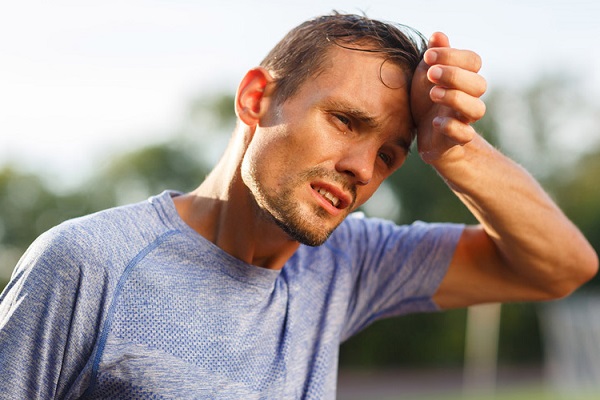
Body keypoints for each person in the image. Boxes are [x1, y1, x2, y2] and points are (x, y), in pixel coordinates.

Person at [0, 12, 597, 399]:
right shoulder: (87, 261)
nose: (363, 169)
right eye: (344, 121)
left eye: (389, 155)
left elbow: (562, 266)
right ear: (257, 97)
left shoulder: (348, 262)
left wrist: (457, 154)